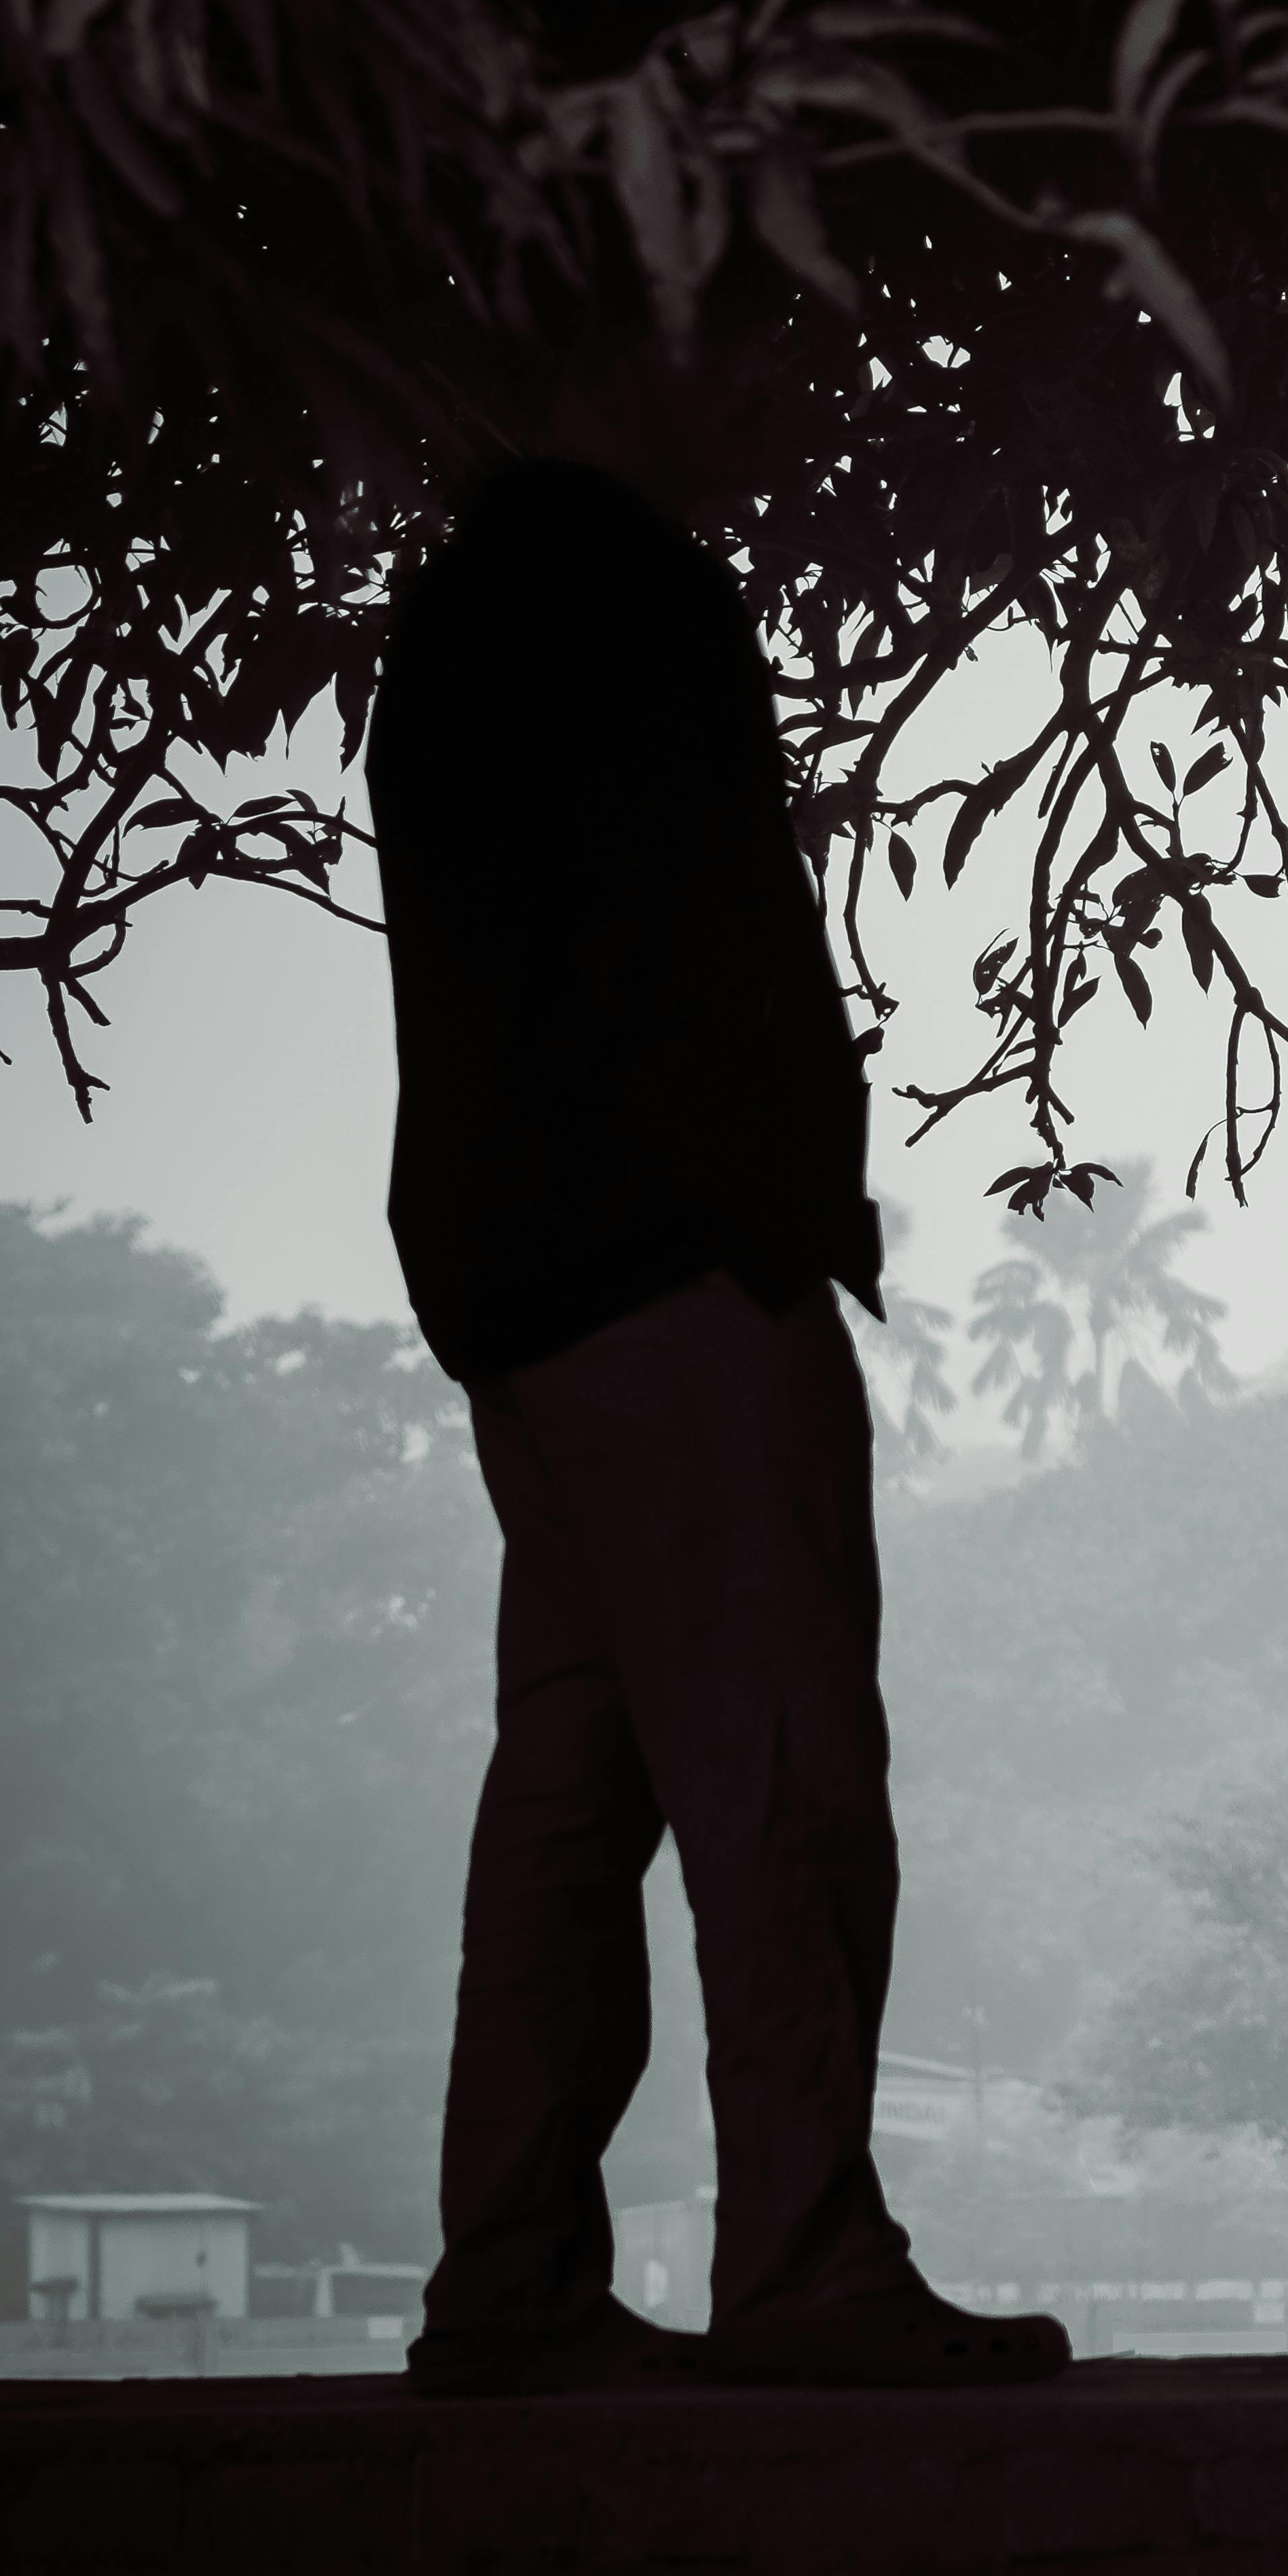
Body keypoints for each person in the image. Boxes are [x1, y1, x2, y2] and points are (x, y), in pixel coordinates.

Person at [372, 458, 1066, 2393]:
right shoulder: (628, 590)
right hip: (676, 1269)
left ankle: (509, 2270)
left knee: (571, 1798)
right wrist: (769, 1213)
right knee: (780, 1786)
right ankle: (803, 2258)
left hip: (524, 1283)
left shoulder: (451, 621)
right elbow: (708, 933)